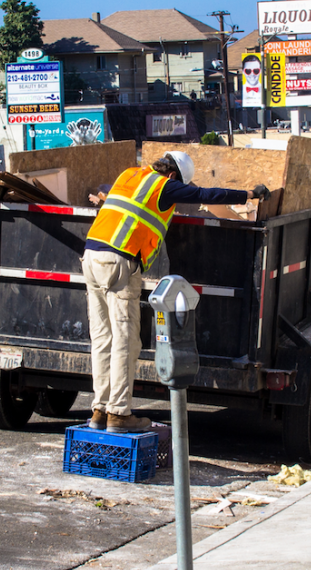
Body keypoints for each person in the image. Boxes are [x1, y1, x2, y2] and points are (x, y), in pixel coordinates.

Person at [83, 151, 269, 433]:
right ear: (173, 176)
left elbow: (107, 191)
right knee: (125, 340)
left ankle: (99, 411)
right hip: (118, 262)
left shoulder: (130, 174)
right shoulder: (163, 186)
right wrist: (248, 194)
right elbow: (205, 194)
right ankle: (119, 415)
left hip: (91, 256)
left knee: (102, 339)